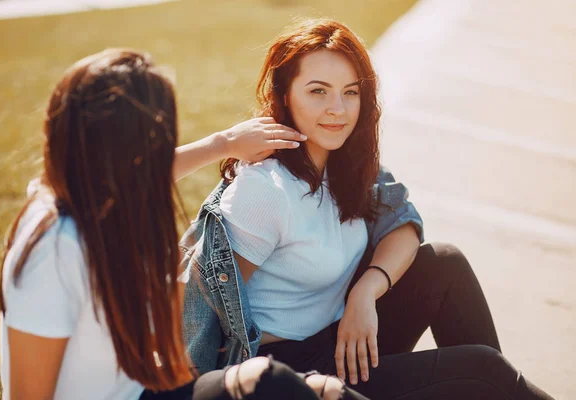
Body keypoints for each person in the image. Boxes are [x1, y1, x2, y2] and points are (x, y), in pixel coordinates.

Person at [180, 18, 554, 400]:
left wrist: (366, 291)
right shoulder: (266, 188)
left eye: (350, 92)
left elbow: (402, 224)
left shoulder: (345, 164)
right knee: (484, 371)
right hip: (289, 372)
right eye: (318, 91)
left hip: (344, 338)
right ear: (285, 95)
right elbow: (200, 303)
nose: (337, 109)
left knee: (444, 263)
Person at [0, 48, 371, 400]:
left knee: (314, 388)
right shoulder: (54, 246)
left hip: (148, 389)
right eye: (155, 139)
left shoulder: (98, 206)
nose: (163, 152)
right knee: (267, 381)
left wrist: (224, 143)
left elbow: (146, 175)